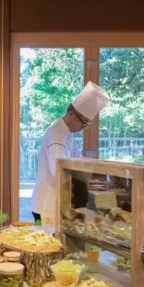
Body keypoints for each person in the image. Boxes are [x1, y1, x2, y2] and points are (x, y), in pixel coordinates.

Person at [30, 82, 110, 225]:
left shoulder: (67, 133)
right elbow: (58, 170)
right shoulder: (57, 134)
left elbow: (78, 159)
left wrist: (98, 170)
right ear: (71, 114)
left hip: (56, 203)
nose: (84, 127)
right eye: (83, 122)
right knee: (44, 238)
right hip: (47, 206)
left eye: (87, 124)